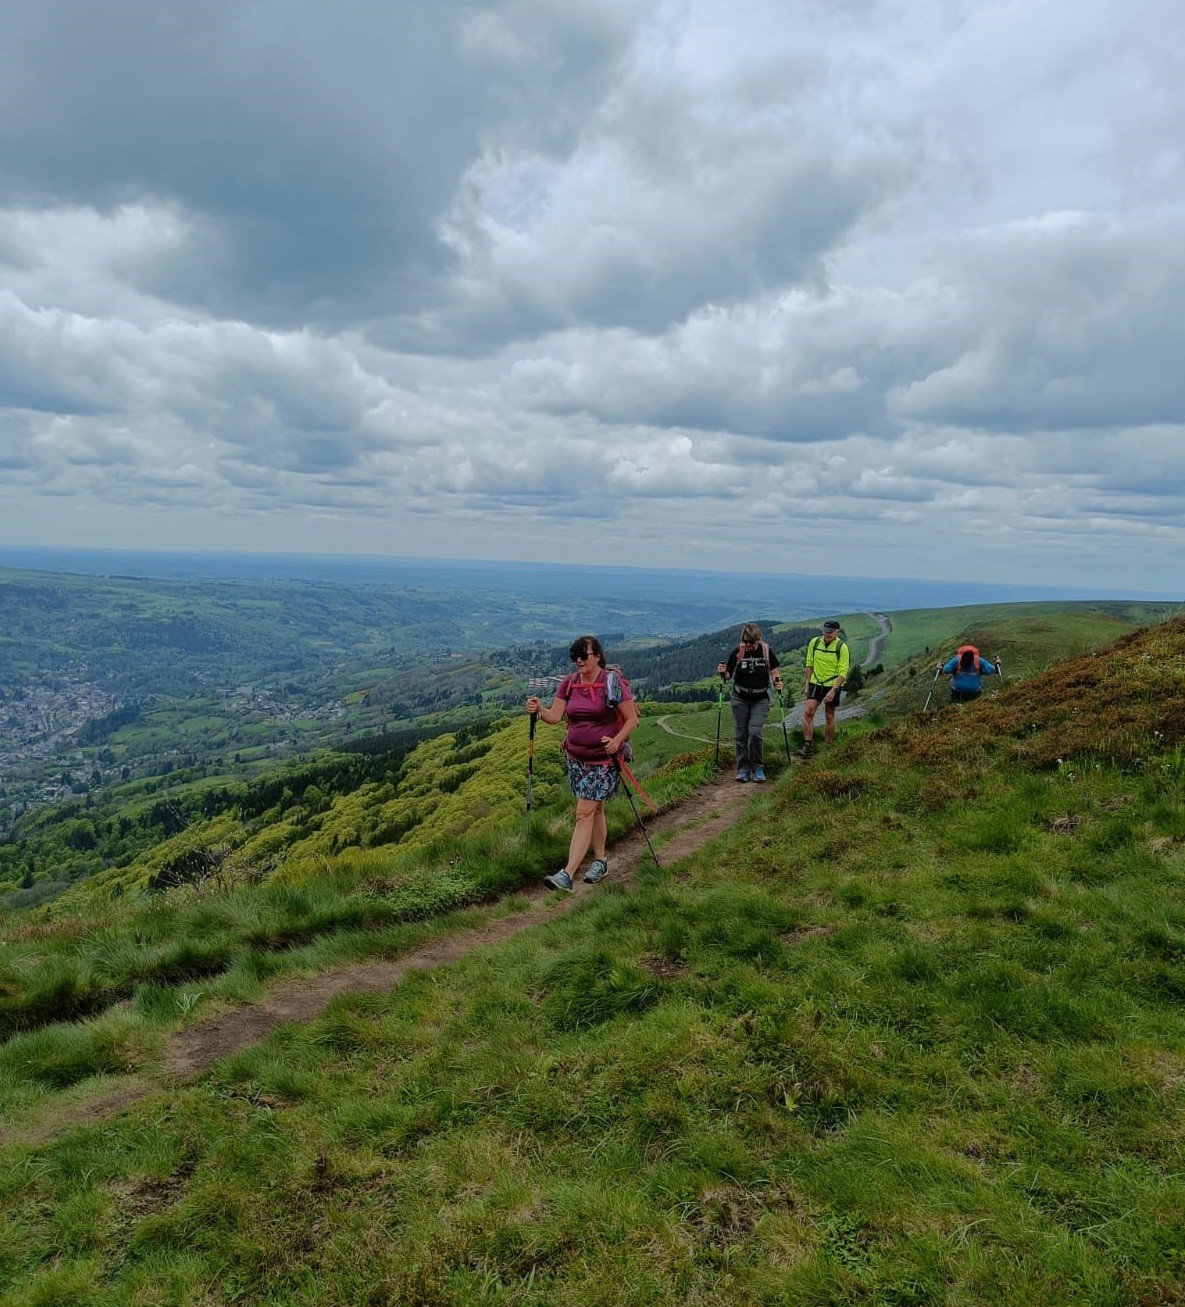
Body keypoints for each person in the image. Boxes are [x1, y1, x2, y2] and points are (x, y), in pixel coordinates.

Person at [524, 635, 639, 891]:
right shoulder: (570, 683)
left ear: (597, 655)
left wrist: (618, 740)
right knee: (595, 810)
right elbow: (555, 717)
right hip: (576, 759)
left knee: (583, 812)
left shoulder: (612, 682)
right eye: (574, 656)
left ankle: (567, 874)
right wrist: (539, 710)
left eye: (583, 655)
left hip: (603, 760)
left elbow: (631, 719)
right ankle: (600, 862)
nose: (578, 660)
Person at [717, 623, 783, 782]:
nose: (748, 645)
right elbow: (728, 676)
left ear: (758, 639)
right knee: (741, 735)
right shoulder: (737, 652)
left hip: (760, 698)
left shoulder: (766, 651)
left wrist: (778, 682)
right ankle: (743, 769)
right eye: (745, 641)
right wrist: (722, 672)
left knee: (754, 733)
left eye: (751, 642)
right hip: (740, 697)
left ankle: (758, 767)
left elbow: (774, 671)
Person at [799, 619, 849, 758]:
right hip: (816, 682)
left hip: (832, 685)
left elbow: (843, 672)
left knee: (829, 715)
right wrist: (807, 683)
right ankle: (807, 745)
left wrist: (833, 690)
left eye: (830, 632)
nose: (827, 635)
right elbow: (809, 663)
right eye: (825, 631)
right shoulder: (814, 642)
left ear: (837, 632)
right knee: (808, 712)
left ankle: (828, 745)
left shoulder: (842, 647)